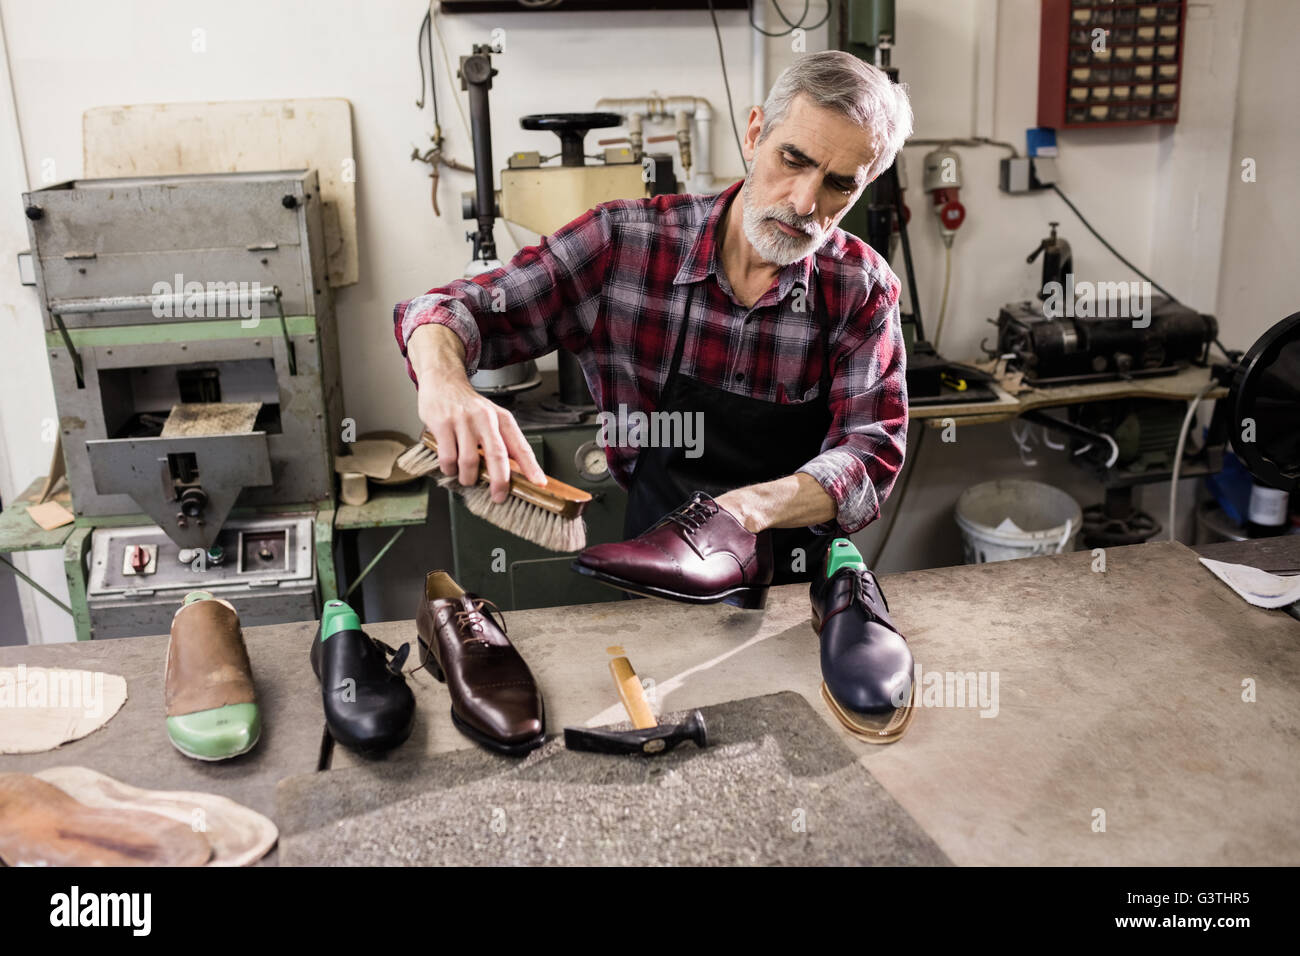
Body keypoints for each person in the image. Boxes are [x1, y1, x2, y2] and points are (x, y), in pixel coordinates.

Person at [394, 50, 912, 602]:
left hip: (790, 589)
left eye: (838, 185)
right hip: (655, 574)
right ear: (755, 132)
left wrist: (742, 512)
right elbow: (451, 309)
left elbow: (872, 449)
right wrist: (446, 382)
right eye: (793, 159)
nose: (805, 201)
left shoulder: (860, 287)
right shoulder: (624, 244)